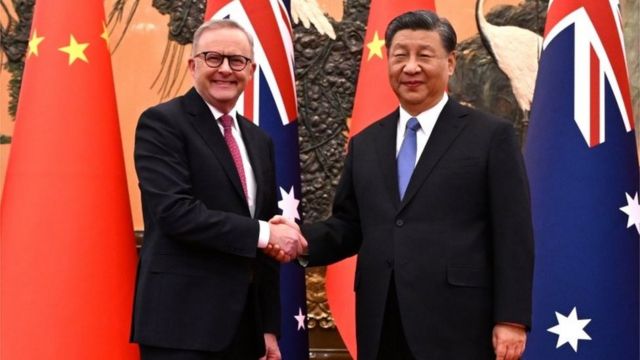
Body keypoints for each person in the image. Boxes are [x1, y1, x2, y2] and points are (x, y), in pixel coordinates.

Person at [272, 10, 534, 360]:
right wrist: (301, 241)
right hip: (382, 320)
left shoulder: (490, 136)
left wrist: (511, 319)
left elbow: (513, 233)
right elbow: (349, 226)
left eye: (424, 55)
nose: (411, 67)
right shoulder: (366, 142)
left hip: (460, 324)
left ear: (451, 63)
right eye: (400, 56)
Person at [130, 18, 306, 360]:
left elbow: (263, 246)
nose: (225, 69)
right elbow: (175, 214)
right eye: (213, 58)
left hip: (244, 330)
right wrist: (267, 234)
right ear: (193, 65)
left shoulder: (259, 140)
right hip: (181, 326)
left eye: (237, 61)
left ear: (251, 70)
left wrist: (268, 327)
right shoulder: (162, 123)